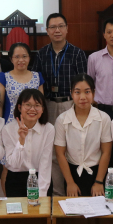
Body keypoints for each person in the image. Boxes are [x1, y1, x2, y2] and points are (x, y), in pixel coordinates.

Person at [35, 12, 87, 196]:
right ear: (47, 30)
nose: (57, 30)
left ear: (66, 29)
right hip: (48, 104)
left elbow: (83, 83)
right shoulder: (41, 54)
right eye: (52, 27)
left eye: (60, 26)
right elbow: (36, 82)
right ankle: (57, 194)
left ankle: (75, 190)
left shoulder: (77, 53)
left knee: (73, 148)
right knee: (52, 151)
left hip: (70, 104)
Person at [54, 74, 113, 197]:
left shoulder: (104, 118)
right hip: (71, 174)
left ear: (93, 93)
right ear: (71, 93)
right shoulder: (62, 119)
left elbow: (106, 152)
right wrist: (70, 182)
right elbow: (60, 153)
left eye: (87, 92)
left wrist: (99, 181)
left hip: (97, 173)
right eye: (77, 92)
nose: (82, 97)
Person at [0, 89, 55, 197]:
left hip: (41, 177)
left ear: (43, 109)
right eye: (28, 105)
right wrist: (21, 141)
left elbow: (45, 163)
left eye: (37, 105)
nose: (32, 109)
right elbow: (14, 164)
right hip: (15, 179)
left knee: (41, 207)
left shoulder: (49, 129)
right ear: (19, 107)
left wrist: (42, 195)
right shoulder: (8, 129)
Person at [0, 42, 44, 124]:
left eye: (24, 56)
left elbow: (41, 103)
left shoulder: (38, 77)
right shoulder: (3, 77)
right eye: (17, 57)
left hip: (33, 123)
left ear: (29, 58)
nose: (21, 60)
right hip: (10, 123)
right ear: (11, 59)